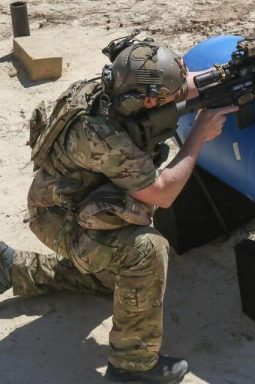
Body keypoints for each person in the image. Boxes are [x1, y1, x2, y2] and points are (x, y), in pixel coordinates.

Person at [0, 33, 238, 384]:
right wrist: (198, 137)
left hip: (72, 197)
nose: (176, 95)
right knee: (145, 251)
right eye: (164, 97)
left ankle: (14, 268)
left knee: (115, 282)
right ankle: (133, 366)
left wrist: (233, 75)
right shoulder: (101, 136)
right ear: (146, 100)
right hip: (59, 216)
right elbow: (162, 194)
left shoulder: (116, 86)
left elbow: (177, 87)